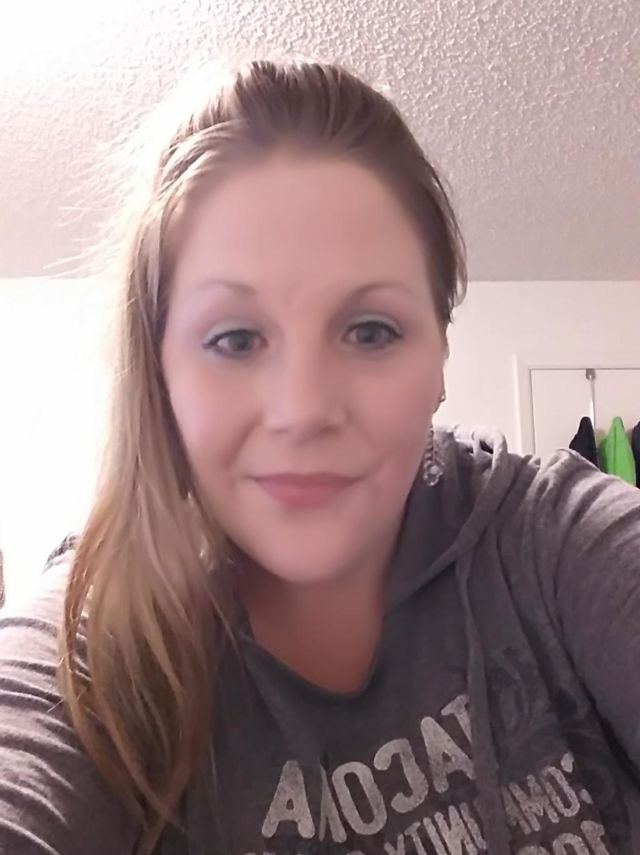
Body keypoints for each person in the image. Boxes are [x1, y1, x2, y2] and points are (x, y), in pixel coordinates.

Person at [1, 58, 640, 855]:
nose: (303, 409)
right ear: (158, 373)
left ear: (439, 355)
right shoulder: (96, 638)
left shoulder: (552, 541)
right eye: (235, 339)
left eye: (370, 331)